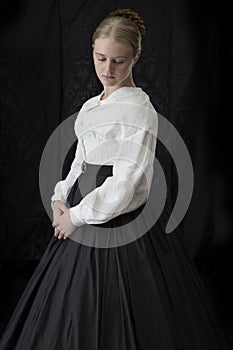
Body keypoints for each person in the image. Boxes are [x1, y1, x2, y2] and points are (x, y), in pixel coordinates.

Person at [0, 8, 231, 350]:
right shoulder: (92, 106)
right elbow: (80, 158)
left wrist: (77, 216)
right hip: (81, 209)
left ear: (136, 56)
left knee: (121, 303)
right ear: (92, 53)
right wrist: (60, 197)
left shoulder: (138, 111)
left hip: (119, 219)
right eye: (101, 58)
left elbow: (127, 185)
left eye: (119, 61)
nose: (108, 70)